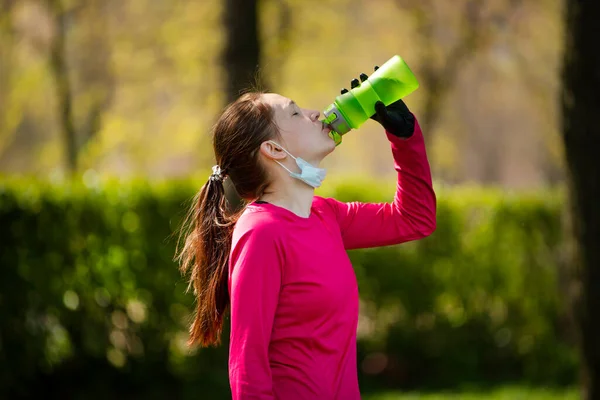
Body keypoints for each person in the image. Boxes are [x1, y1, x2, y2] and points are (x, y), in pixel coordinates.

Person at [176, 69, 436, 399]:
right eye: (296, 113)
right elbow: (247, 365)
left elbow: (415, 219)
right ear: (273, 150)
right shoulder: (260, 233)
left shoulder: (325, 216)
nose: (315, 113)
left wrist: (404, 137)